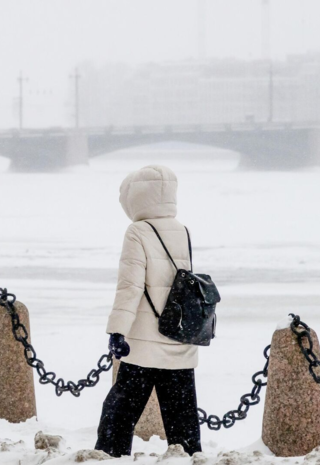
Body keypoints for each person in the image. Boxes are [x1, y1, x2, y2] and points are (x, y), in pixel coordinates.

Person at [95, 165, 202, 457]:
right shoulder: (182, 230)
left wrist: (117, 330)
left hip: (144, 341)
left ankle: (107, 461)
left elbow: (130, 287)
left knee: (117, 414)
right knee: (183, 420)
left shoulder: (138, 231)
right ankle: (192, 460)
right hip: (178, 336)